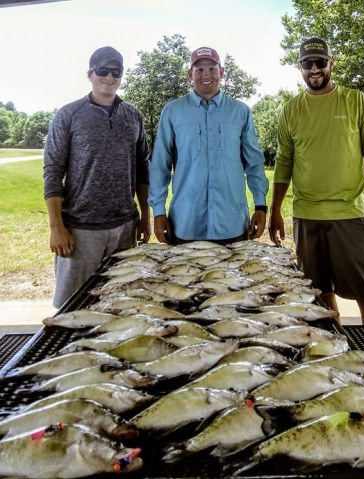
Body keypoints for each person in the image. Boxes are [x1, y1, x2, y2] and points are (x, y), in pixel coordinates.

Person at [268, 36, 364, 325]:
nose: (314, 69)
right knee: (319, 296)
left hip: (350, 214)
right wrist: (275, 210)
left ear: (331, 64)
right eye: (307, 63)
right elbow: (284, 163)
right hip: (306, 215)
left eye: (320, 62)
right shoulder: (290, 109)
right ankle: (335, 358)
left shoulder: (355, 100)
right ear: (299, 67)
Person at [43, 46, 151, 309]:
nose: (109, 77)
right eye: (103, 70)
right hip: (80, 230)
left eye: (116, 71)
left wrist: (145, 218)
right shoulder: (68, 115)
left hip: (125, 229)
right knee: (72, 308)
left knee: (119, 305)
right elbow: (53, 170)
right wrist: (56, 227)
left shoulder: (132, 115)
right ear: (90, 73)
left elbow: (142, 168)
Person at [149, 46, 269, 245]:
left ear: (221, 72)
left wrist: (261, 206)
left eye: (212, 69)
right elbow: (160, 165)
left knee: (234, 277)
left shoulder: (240, 112)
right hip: (185, 224)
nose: (206, 75)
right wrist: (158, 212)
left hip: (232, 224)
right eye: (199, 70)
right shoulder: (172, 112)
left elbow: (254, 163)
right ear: (190, 74)